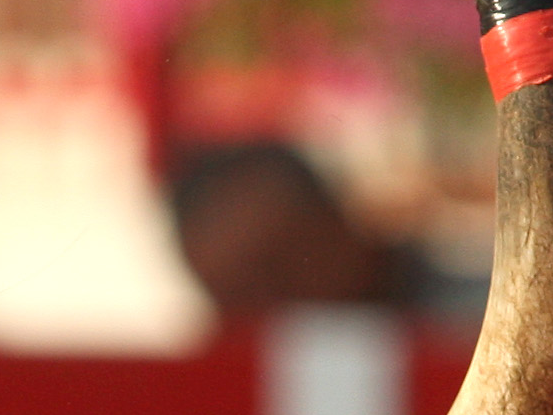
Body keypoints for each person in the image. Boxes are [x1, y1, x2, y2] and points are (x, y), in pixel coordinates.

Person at [166, 139, 488, 328]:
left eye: (278, 265)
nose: (268, 308)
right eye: (236, 297)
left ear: (335, 225)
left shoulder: (487, 323)